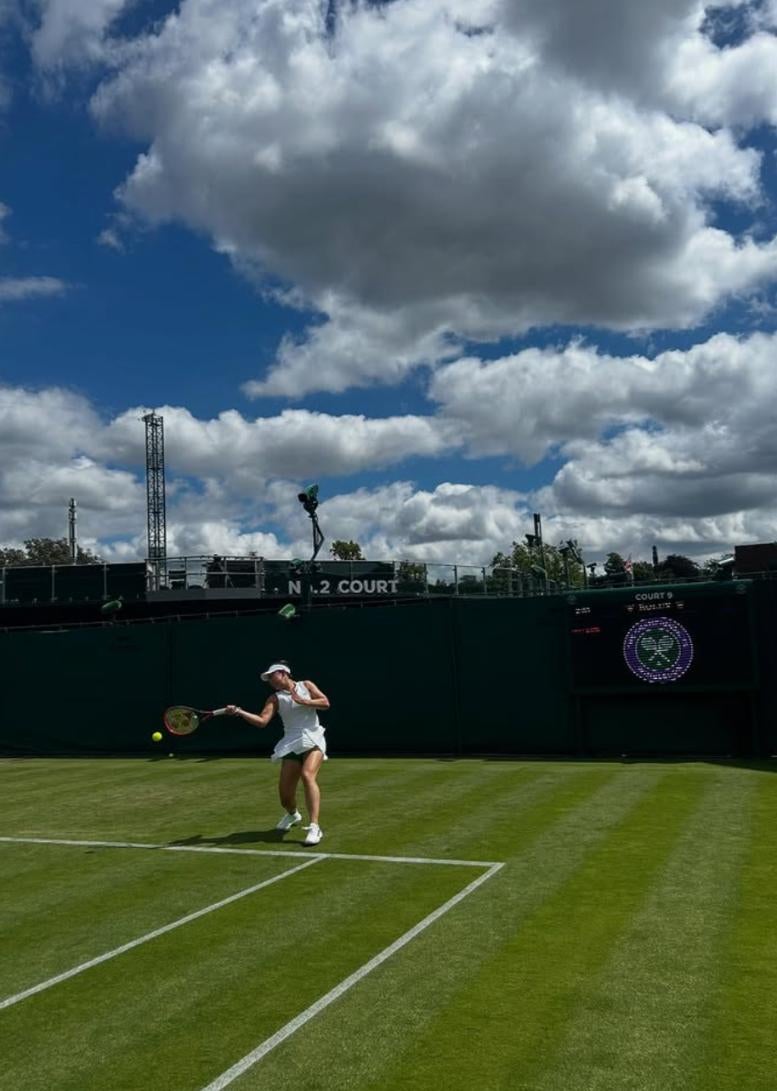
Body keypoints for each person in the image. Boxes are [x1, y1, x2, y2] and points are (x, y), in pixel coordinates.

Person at [225, 661, 330, 846]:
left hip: (313, 738)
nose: (270, 681)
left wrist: (304, 701)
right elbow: (262, 721)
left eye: (272, 676)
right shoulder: (275, 698)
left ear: (283, 673)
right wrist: (240, 712)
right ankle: (293, 815)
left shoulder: (306, 685)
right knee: (285, 796)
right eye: (268, 679)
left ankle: (315, 827)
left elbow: (325, 703)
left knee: (307, 776)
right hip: (291, 742)